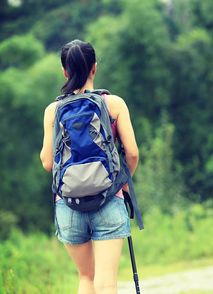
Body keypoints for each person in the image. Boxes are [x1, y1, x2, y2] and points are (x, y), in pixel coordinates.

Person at [40, 39, 139, 294]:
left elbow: (47, 162)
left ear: (65, 71)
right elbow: (133, 153)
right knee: (106, 284)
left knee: (86, 278)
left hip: (68, 205)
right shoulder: (114, 104)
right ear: (94, 68)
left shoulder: (53, 110)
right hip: (108, 199)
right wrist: (124, 184)